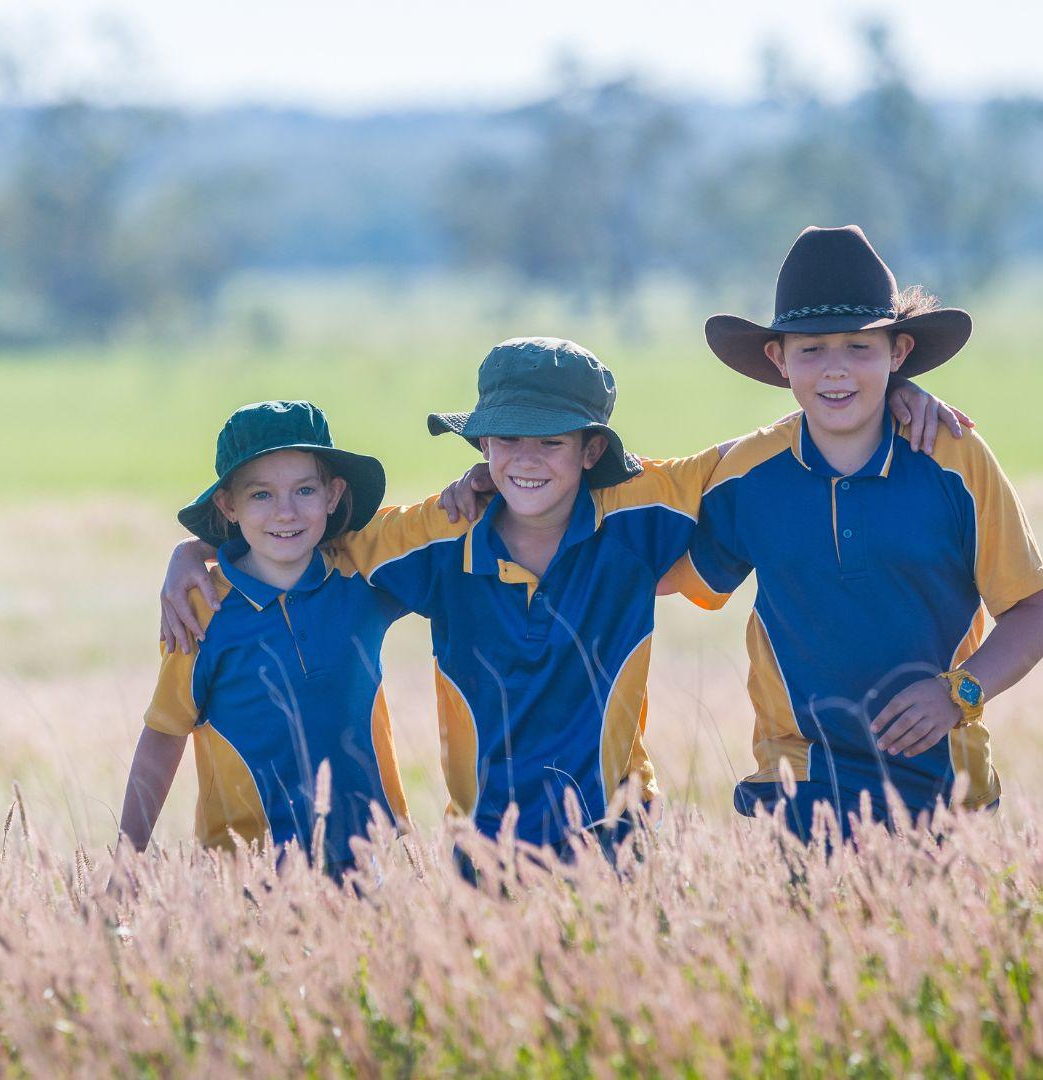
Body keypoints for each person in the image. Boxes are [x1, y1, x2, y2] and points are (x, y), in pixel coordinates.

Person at [160, 337, 962, 866]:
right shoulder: (439, 537)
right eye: (507, 438)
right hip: (484, 853)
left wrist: (893, 393)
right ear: (480, 446)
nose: (526, 459)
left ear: (591, 449)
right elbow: (296, 543)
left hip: (621, 843)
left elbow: (775, 445)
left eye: (552, 441)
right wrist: (195, 551)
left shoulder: (642, 512)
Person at [668, 224, 1043, 840]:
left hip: (947, 786)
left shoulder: (955, 459)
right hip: (799, 784)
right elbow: (646, 562)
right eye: (811, 350)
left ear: (898, 354)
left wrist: (959, 692)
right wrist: (499, 482)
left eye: (858, 348)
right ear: (777, 358)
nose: (834, 370)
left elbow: (1029, 608)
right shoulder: (746, 475)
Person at [114, 400, 410, 881]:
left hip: (359, 862)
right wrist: (124, 871)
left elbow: (438, 533)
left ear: (334, 495)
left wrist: (478, 483)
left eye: (305, 490)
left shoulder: (361, 577)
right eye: (260, 496)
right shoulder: (201, 609)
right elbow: (163, 735)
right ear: (227, 505)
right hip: (245, 876)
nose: (286, 512)